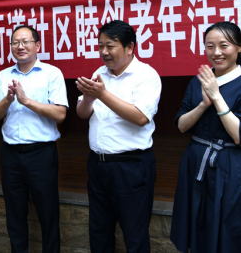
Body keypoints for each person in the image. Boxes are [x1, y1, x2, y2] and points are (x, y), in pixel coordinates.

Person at [76, 20, 161, 253]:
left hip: (131, 167)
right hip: (98, 165)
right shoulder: (98, 74)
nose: (104, 52)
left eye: (110, 46)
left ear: (130, 47)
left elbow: (140, 117)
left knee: (135, 235)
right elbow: (82, 114)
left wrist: (101, 94)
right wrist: (89, 97)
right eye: (101, 46)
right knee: (99, 232)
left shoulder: (146, 75)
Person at [0, 25, 68, 253]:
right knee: (14, 215)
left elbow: (61, 114)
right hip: (11, 155)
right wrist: (8, 99)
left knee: (48, 214)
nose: (20, 46)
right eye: (15, 42)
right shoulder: (4, 76)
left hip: (41, 154)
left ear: (37, 46)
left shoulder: (52, 73)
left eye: (25, 42)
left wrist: (27, 101)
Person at [170, 22, 241, 253]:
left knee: (227, 226)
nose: (217, 52)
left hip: (230, 166)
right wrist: (203, 104)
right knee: (196, 222)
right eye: (210, 46)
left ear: (239, 48)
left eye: (224, 45)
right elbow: (181, 125)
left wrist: (217, 97)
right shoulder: (197, 81)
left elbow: (239, 136)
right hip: (195, 162)